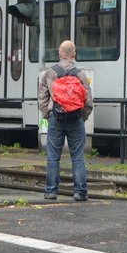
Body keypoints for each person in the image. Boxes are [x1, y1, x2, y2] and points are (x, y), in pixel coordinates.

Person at [38, 40, 94, 201]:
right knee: (77, 156)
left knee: (53, 156)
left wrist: (47, 114)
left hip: (56, 118)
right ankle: (80, 192)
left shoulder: (50, 73)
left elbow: (42, 97)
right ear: (74, 54)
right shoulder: (80, 74)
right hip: (76, 119)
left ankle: (51, 191)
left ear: (59, 53)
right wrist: (82, 117)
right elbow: (88, 101)